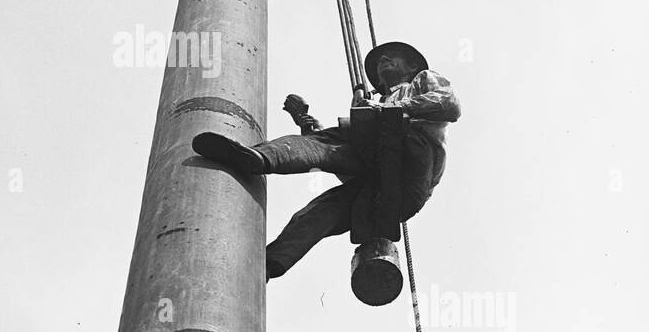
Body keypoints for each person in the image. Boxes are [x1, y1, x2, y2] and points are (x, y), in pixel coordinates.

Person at [191, 40, 461, 281]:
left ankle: (263, 158)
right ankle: (268, 262)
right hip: (377, 176)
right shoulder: (374, 105)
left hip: (413, 163)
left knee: (343, 136)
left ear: (411, 65)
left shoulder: (421, 80)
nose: (383, 61)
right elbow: (332, 155)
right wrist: (306, 122)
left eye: (392, 57)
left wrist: (391, 108)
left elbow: (449, 104)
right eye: (381, 60)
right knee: (320, 208)